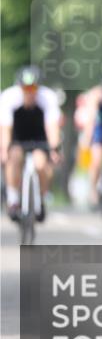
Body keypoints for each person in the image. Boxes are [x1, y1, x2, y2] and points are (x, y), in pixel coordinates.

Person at [0, 66, 62, 222]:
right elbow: (5, 128)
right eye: (25, 88)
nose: (29, 91)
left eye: (33, 88)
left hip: (39, 136)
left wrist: (55, 149)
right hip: (17, 136)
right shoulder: (9, 97)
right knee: (13, 156)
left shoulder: (47, 97)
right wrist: (4, 150)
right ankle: (13, 199)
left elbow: (52, 126)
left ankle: (40, 198)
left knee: (41, 164)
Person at [79, 76, 102, 208]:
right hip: (99, 127)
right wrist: (87, 138)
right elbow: (91, 119)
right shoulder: (95, 96)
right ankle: (93, 191)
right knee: (96, 160)